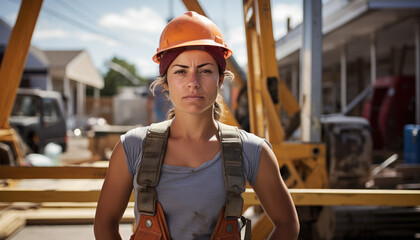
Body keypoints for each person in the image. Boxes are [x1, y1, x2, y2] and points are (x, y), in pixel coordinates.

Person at [94, 11, 299, 240]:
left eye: (205, 71)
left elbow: (287, 223)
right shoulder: (132, 148)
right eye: (180, 71)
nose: (193, 83)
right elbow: (105, 224)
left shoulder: (252, 150)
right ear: (166, 82)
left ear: (220, 80)